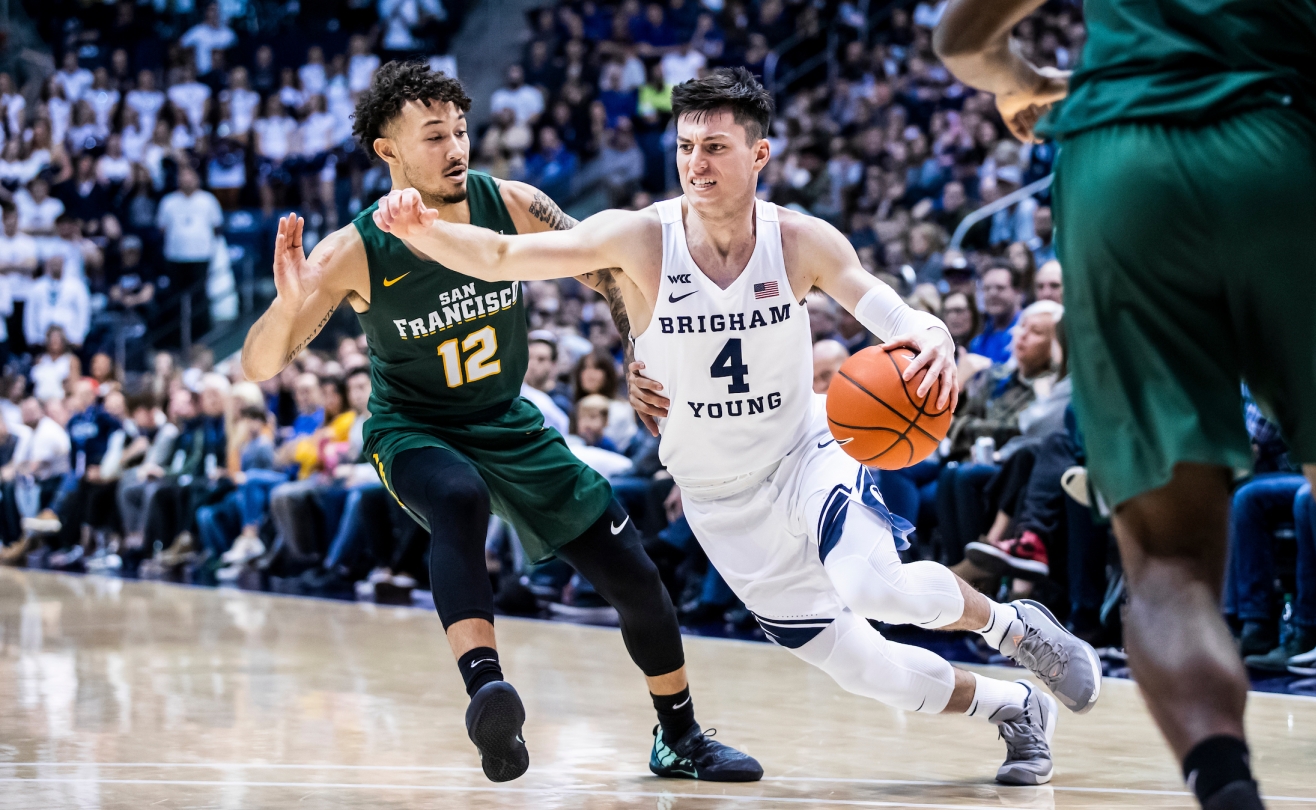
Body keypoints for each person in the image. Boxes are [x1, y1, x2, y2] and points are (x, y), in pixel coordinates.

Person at [371, 67, 1102, 786]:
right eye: (687, 147)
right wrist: (424, 231)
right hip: (718, 497)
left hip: (806, 452)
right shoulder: (640, 239)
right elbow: (503, 256)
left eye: (716, 147)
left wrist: (930, 331)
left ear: (759, 155)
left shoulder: (799, 239)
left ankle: (1014, 629)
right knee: (864, 670)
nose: (697, 163)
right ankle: (1016, 707)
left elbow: (880, 304)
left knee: (875, 584)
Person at [936, 0, 1316, 807]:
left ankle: (1227, 787)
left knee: (1167, 560)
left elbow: (962, 41)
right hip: (1280, 150)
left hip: (1121, 161)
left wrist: (1029, 83)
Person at [238, 61, 758, 784]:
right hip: (414, 428)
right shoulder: (355, 248)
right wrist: (288, 305)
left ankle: (679, 737)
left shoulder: (508, 202)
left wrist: (639, 353)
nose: (456, 148)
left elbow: (611, 271)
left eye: (460, 130)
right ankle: (489, 695)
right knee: (457, 497)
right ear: (388, 151)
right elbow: (261, 365)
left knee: (634, 576)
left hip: (507, 420)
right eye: (433, 136)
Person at [157, 166, 223, 341]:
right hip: (175, 256)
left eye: (190, 176)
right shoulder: (168, 202)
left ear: (197, 179)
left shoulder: (208, 200)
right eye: (183, 176)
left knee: (199, 296)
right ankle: (178, 336)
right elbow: (162, 228)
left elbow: (217, 227)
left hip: (201, 255)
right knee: (177, 298)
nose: (186, 180)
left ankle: (202, 335)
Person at [969, 264, 1021, 362]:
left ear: (1017, 292)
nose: (992, 294)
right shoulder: (978, 342)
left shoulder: (1027, 332)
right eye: (987, 288)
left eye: (1000, 288)